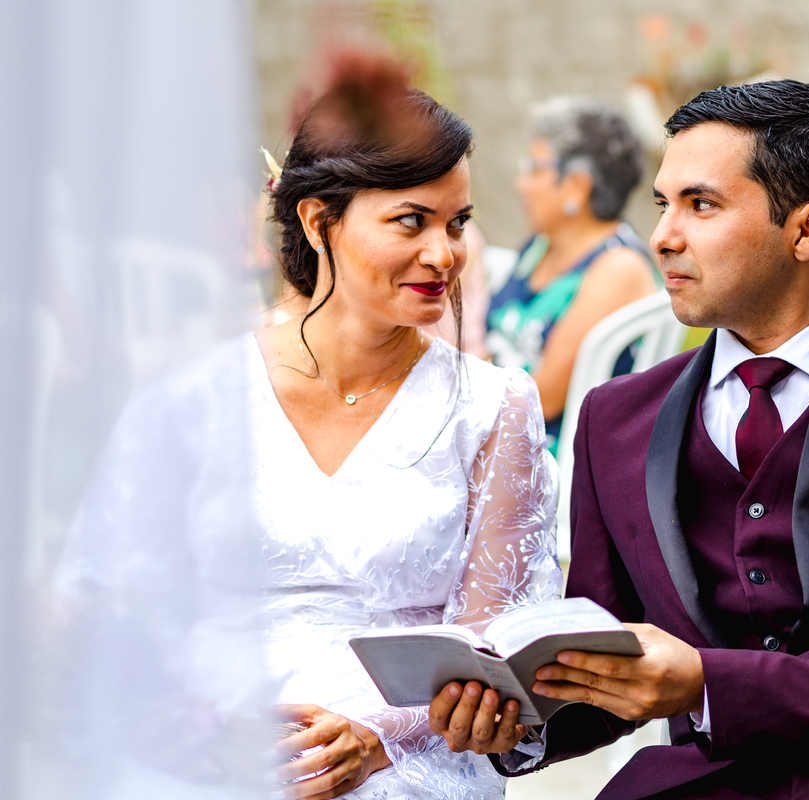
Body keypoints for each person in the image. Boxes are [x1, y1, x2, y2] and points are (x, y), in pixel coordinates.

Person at [430, 80, 809, 800]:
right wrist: (517, 720)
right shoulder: (615, 420)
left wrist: (711, 683)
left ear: (807, 230)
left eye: (701, 204)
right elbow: (607, 656)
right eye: (662, 204)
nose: (663, 236)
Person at [57, 56, 561, 799]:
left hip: (406, 754)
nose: (444, 254)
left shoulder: (494, 407)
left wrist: (376, 737)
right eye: (411, 221)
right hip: (212, 739)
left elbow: (496, 644)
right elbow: (109, 604)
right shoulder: (193, 396)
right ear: (318, 220)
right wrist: (195, 729)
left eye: (457, 223)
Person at [487, 97, 661, 454]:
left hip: (549, 456)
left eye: (534, 169)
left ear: (577, 186)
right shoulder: (540, 246)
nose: (521, 184)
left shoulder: (618, 267)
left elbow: (544, 398)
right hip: (494, 427)